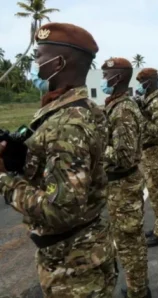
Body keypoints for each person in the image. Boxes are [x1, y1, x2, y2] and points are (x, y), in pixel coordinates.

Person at [0, 22, 117, 296]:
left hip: (72, 264)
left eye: (39, 56)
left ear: (58, 63)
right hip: (85, 247)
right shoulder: (83, 109)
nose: (35, 63)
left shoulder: (66, 123)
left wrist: (5, 179)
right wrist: (22, 159)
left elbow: (61, 211)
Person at [101, 58, 150, 298]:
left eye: (105, 75)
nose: (103, 80)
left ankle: (138, 291)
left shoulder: (123, 110)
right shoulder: (116, 105)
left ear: (117, 78)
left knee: (130, 242)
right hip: (118, 186)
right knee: (127, 239)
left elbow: (124, 156)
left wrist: (95, 149)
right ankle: (137, 286)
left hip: (124, 185)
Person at [137, 68, 158, 247]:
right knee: (156, 193)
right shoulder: (149, 100)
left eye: (140, 82)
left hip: (156, 153)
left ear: (149, 82)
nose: (138, 86)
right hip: (150, 153)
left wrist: (139, 116)